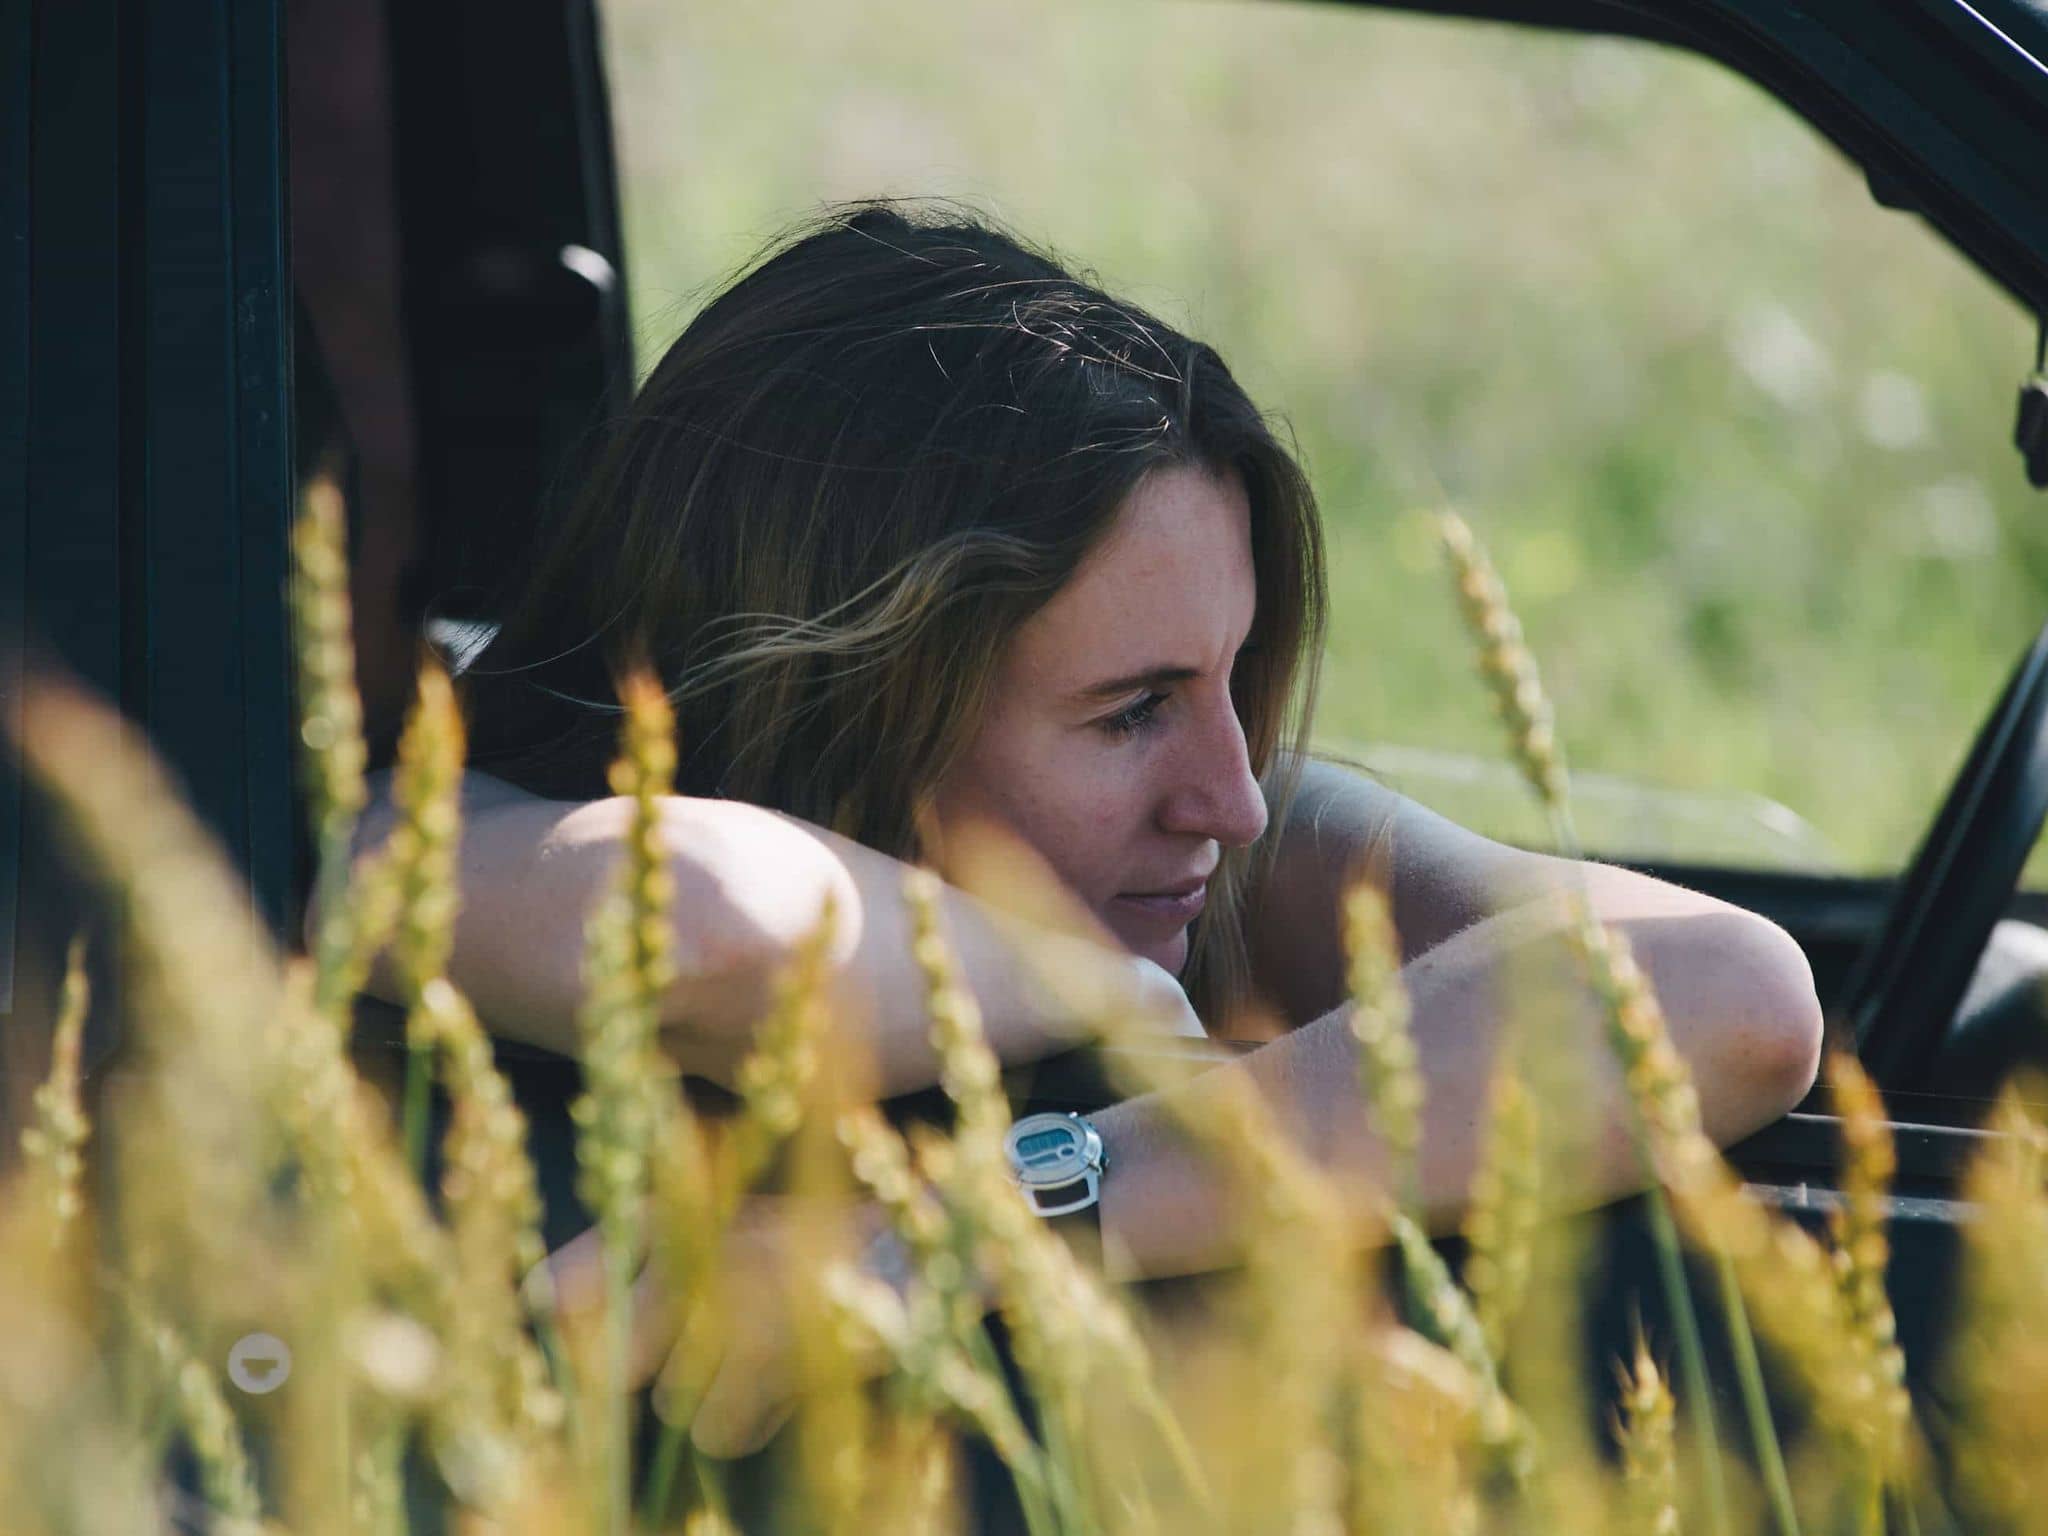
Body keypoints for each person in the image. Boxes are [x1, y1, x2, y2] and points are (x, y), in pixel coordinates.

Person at [355, 201, 1823, 1457]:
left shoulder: (1221, 830)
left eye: (1236, 679)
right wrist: (1111, 1000)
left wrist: (979, 1221)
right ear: (850, 697)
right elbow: (717, 934)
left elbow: (1729, 997)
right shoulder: (454, 826)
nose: (1233, 796)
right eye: (1130, 711)